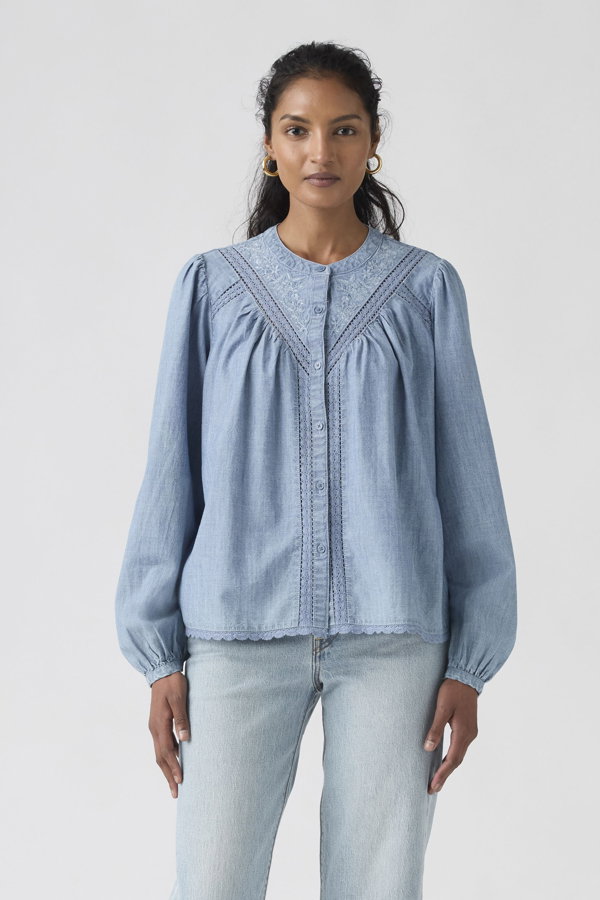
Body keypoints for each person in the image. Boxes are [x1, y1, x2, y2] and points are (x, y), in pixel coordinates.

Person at [115, 40, 517, 900]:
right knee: (212, 881)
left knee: (379, 885)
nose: (320, 151)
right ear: (269, 143)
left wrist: (470, 663)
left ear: (373, 143)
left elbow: (468, 477)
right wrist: (157, 655)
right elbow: (171, 470)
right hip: (233, 633)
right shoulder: (212, 288)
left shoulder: (426, 291)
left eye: (344, 129)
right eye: (298, 129)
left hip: (397, 640)